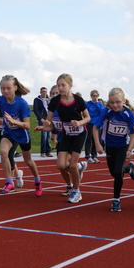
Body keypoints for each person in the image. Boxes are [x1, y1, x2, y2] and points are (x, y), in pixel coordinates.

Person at [36, 73, 90, 203]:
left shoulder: (78, 100)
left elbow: (88, 118)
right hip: (66, 134)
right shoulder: (55, 101)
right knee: (60, 165)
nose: (60, 88)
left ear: (70, 85)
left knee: (71, 165)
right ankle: (78, 168)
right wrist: (44, 126)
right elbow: (50, 123)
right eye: (58, 85)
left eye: (63, 85)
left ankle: (77, 191)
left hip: (79, 133)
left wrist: (79, 123)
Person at [0, 75, 43, 196]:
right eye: (2, 88)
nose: (5, 91)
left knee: (28, 161)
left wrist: (13, 121)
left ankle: (37, 181)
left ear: (15, 88)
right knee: (3, 152)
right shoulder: (0, 99)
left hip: (22, 134)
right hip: (8, 132)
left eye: (8, 88)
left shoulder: (22, 104)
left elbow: (27, 125)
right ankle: (9, 182)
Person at [93, 88, 134, 212]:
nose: (115, 105)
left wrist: (129, 149)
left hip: (122, 146)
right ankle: (129, 168)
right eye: (112, 102)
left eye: (118, 102)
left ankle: (116, 200)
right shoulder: (106, 111)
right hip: (110, 146)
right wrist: (98, 144)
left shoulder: (128, 114)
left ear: (123, 101)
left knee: (118, 172)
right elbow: (95, 127)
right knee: (114, 173)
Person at [85, 90, 105, 164]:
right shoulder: (88, 104)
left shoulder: (99, 104)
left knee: (95, 140)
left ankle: (94, 155)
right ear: (91, 96)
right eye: (93, 96)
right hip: (90, 123)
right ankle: (87, 156)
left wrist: (97, 104)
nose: (95, 97)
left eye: (96, 96)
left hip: (97, 124)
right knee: (88, 139)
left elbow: (102, 113)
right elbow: (86, 113)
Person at [33, 86, 52, 158]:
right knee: (44, 136)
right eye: (43, 91)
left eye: (45, 91)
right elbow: (36, 110)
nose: (44, 93)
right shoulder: (37, 100)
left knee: (48, 136)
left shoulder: (49, 99)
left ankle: (48, 151)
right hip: (42, 119)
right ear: (40, 92)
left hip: (48, 120)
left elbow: (51, 109)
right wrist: (41, 119)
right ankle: (43, 152)